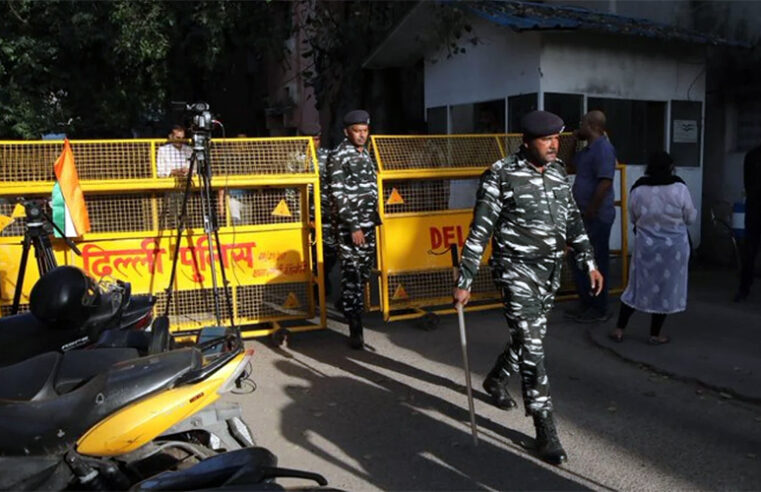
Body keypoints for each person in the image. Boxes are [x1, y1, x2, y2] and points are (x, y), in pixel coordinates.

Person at [453, 110, 603, 465]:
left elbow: (573, 220)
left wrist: (590, 262)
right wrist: (466, 279)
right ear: (526, 142)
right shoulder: (501, 174)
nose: (554, 145)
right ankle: (545, 428)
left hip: (550, 271)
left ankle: (496, 377)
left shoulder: (556, 173)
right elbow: (480, 230)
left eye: (557, 139)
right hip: (515, 271)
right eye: (546, 139)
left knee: (528, 338)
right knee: (533, 346)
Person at [611, 151, 697, 344]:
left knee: (636, 287)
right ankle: (655, 334)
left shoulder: (639, 189)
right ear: (670, 167)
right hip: (673, 250)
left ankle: (619, 329)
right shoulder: (679, 188)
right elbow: (690, 217)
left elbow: (633, 217)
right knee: (665, 291)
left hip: (646, 248)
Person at [328, 110, 379, 350]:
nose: (361, 135)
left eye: (365, 131)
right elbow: (339, 195)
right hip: (353, 228)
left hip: (369, 225)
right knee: (353, 275)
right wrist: (354, 226)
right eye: (357, 131)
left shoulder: (365, 153)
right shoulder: (339, 155)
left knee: (365, 272)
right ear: (347, 132)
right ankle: (355, 330)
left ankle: (345, 302)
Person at [566, 110, 617, 323]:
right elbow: (569, 164)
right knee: (578, 258)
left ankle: (598, 307)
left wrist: (592, 209)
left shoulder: (603, 148)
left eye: (582, 123)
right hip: (584, 215)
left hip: (596, 216)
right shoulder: (588, 151)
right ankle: (586, 303)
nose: (579, 127)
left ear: (592, 125)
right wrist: (572, 141)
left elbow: (605, 181)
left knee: (594, 261)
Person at [301, 122, 338, 296]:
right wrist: (299, 215)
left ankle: (324, 275)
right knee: (310, 252)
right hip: (307, 215)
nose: (313, 143)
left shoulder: (329, 157)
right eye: (309, 139)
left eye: (316, 139)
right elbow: (291, 191)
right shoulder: (295, 159)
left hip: (327, 215)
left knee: (331, 250)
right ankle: (316, 286)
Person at [735, 143, 761, 301]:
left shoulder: (751, 155)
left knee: (750, 249)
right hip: (754, 205)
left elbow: (747, 182)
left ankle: (744, 288)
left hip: (754, 206)